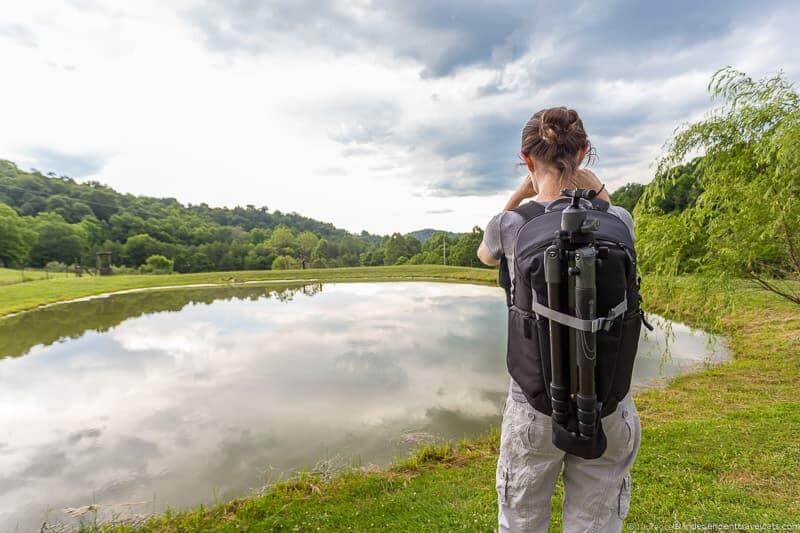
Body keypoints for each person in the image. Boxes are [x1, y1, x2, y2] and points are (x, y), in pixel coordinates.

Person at [477, 107, 641, 532]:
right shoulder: (620, 219)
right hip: (607, 399)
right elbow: (612, 213)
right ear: (584, 152)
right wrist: (593, 183)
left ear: (527, 159)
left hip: (533, 405)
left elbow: (484, 252)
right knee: (596, 524)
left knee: (522, 522)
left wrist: (521, 192)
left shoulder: (510, 225)